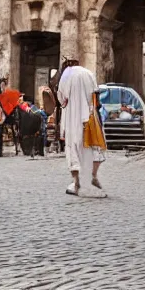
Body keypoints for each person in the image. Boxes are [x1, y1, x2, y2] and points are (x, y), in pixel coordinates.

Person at [57, 57, 107, 198]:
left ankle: (77, 183)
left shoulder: (66, 74)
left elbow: (62, 98)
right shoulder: (88, 73)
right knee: (94, 147)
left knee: (73, 149)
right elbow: (96, 94)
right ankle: (93, 176)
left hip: (73, 118)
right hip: (90, 117)